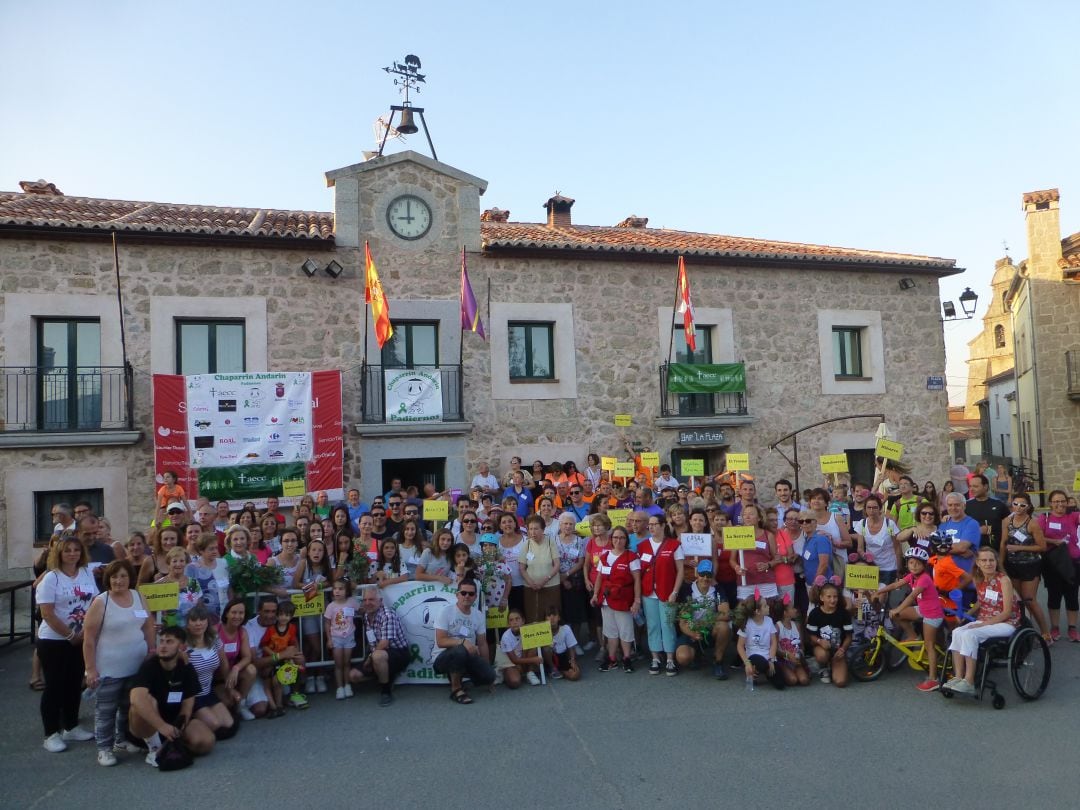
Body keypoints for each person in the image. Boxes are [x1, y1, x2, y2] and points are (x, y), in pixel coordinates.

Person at [81, 559, 155, 765]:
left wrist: (151, 650)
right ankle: (104, 748)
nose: (119, 580)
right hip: (109, 668)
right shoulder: (101, 602)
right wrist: (90, 669)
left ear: (130, 578)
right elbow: (89, 638)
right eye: (114, 576)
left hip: (135, 665)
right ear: (108, 579)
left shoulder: (138, 596)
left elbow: (148, 625)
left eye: (123, 576)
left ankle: (121, 740)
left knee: (126, 706)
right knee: (106, 709)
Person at [37, 535, 98, 752]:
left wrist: (86, 633)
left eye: (76, 550)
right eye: (67, 550)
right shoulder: (51, 578)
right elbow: (47, 613)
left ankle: (70, 726)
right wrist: (71, 636)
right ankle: (50, 733)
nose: (72, 554)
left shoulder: (86, 572)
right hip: (54, 640)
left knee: (73, 684)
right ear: (59, 553)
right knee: (55, 686)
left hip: (81, 637)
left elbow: (94, 602)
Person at [128, 625, 214, 766]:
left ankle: (171, 747)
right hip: (150, 725)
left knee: (206, 741)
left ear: (181, 647)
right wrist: (162, 726)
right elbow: (136, 699)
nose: (163, 646)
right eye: (161, 641)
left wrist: (177, 730)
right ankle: (154, 748)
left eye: (169, 642)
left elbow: (187, 707)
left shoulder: (187, 668)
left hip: (173, 723)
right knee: (143, 701)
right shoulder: (150, 666)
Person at [943, 547, 1021, 695]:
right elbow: (981, 602)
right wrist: (967, 614)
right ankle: (958, 677)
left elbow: (1007, 612)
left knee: (970, 634)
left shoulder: (1003, 580)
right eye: (984, 560)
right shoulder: (978, 579)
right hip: (984, 620)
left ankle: (969, 681)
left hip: (1006, 623)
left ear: (996, 562)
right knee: (957, 632)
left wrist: (984, 624)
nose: (988, 563)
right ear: (978, 563)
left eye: (991, 560)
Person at [877, 547, 944, 692]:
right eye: (911, 562)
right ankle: (912, 635)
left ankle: (933, 679)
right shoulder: (911, 576)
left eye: (918, 563)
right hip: (922, 609)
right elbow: (896, 585)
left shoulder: (924, 578)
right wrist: (879, 591)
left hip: (932, 614)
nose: (914, 566)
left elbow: (912, 597)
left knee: (929, 645)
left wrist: (898, 609)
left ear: (924, 565)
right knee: (898, 616)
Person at [433, 578, 495, 704]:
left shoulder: (478, 615)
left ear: (475, 597)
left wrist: (486, 666)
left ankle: (458, 674)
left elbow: (482, 643)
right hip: (442, 657)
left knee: (489, 675)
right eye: (463, 593)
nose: (467, 596)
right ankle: (456, 689)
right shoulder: (445, 612)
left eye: (471, 594)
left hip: (467, 656)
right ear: (457, 594)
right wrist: (462, 642)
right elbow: (440, 641)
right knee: (460, 650)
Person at [1000, 492, 1051, 641]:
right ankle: (1026, 632)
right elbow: (1003, 543)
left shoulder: (1032, 523)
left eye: (1022, 505)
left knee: (1029, 599)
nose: (1018, 507)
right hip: (1012, 565)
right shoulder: (1006, 521)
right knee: (1018, 600)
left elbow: (1042, 547)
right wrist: (1001, 563)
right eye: (1015, 504)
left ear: (1028, 507)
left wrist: (1020, 548)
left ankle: (1045, 633)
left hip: (1030, 566)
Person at [639, 514, 685, 675]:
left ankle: (670, 658)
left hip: (667, 592)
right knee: (652, 625)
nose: (651, 527)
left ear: (663, 525)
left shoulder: (674, 545)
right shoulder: (642, 546)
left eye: (654, 524)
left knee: (667, 624)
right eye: (649, 525)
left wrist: (675, 591)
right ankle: (655, 657)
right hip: (648, 592)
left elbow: (680, 571)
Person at [591, 525, 642, 673]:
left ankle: (626, 658)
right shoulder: (605, 556)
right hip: (606, 600)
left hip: (623, 599)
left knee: (625, 631)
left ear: (626, 540)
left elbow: (637, 580)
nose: (618, 540)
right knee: (610, 631)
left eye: (621, 538)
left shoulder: (631, 557)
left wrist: (637, 600)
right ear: (611, 539)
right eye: (615, 537)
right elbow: (599, 578)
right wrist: (595, 594)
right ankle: (612, 658)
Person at [183, 603, 235, 739]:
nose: (198, 624)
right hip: (192, 696)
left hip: (208, 691)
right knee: (215, 725)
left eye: (202, 620)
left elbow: (224, 664)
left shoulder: (213, 639)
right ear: (187, 624)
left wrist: (229, 688)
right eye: (193, 620)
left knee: (228, 724)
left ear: (207, 622)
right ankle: (190, 723)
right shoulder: (183, 645)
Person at [674, 560, 730, 679]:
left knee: (724, 627)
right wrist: (692, 633)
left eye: (708, 575)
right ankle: (696, 654)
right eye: (702, 574)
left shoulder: (717, 590)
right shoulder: (687, 590)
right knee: (683, 658)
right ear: (697, 574)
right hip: (692, 628)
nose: (705, 578)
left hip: (709, 627)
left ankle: (718, 661)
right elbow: (683, 621)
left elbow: (725, 614)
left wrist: (706, 620)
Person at [357, 587, 411, 706]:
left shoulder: (387, 615)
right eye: (364, 600)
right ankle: (387, 676)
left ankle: (385, 691)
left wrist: (370, 657)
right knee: (354, 676)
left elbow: (384, 643)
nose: (367, 603)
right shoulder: (367, 615)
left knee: (377, 656)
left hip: (398, 652)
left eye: (371, 599)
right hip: (379, 652)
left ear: (380, 601)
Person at [1039, 490, 1080, 642]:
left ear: (1067, 502)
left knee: (1072, 596)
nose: (1060, 504)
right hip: (1053, 563)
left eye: (1062, 501)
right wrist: (1054, 541)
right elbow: (1038, 536)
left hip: (1072, 562)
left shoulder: (1073, 516)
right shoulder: (1045, 518)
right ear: (1050, 503)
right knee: (1054, 595)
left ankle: (1072, 628)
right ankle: (1055, 627)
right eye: (1056, 501)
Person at [259, 600, 308, 714]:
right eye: (281, 614)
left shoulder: (292, 628)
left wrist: (293, 654)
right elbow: (264, 645)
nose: (283, 618)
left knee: (298, 664)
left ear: (291, 616)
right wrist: (275, 656)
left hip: (285, 657)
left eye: (287, 615)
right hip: (273, 657)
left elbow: (292, 642)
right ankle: (278, 705)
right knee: (276, 681)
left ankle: (295, 694)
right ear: (277, 615)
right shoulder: (271, 630)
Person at [217, 599, 259, 719]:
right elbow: (220, 660)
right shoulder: (216, 630)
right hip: (217, 677)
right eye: (234, 612)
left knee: (251, 669)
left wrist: (236, 668)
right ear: (226, 613)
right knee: (228, 703)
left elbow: (247, 657)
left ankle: (242, 704)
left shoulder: (242, 632)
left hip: (232, 674)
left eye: (241, 613)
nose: (237, 616)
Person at [805, 581, 851, 687]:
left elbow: (849, 637)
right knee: (822, 655)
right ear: (821, 598)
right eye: (829, 596)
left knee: (840, 682)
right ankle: (824, 667)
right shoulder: (815, 613)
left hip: (838, 649)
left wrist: (842, 649)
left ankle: (835, 663)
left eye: (835, 597)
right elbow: (810, 635)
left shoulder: (843, 613)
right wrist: (819, 641)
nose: (833, 600)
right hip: (822, 648)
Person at [730, 503, 778, 602]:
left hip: (766, 582)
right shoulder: (737, 533)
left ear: (759, 518)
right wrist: (737, 567)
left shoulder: (768, 535)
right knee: (746, 614)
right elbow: (732, 560)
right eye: (745, 514)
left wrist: (768, 565)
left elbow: (777, 558)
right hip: (745, 583)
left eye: (751, 514)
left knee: (769, 612)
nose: (747, 516)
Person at [736, 595, 785, 690]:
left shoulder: (769, 621)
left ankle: (760, 672)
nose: (769, 607)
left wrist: (771, 659)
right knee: (760, 662)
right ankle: (753, 670)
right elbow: (740, 646)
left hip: (767, 656)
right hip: (753, 656)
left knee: (780, 684)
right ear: (757, 611)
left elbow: (773, 642)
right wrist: (747, 663)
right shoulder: (747, 623)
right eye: (765, 606)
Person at [520, 513, 562, 624]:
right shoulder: (526, 544)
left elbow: (557, 564)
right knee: (533, 615)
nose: (533, 532)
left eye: (536, 529)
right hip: (531, 587)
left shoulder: (550, 542)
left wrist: (544, 580)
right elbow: (522, 568)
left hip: (550, 585)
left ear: (543, 529)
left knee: (550, 616)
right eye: (530, 529)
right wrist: (531, 583)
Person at [852, 494, 901, 584]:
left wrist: (899, 569)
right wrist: (864, 555)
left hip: (889, 567)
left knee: (885, 595)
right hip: (871, 567)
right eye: (869, 507)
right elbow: (860, 548)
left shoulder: (889, 524)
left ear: (880, 508)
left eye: (875, 507)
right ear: (865, 509)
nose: (871, 510)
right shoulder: (862, 524)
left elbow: (897, 547)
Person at [324, 579, 359, 700]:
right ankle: (339, 687)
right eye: (335, 589)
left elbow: (361, 610)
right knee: (338, 664)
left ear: (347, 590)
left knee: (347, 662)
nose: (337, 591)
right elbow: (327, 623)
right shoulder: (331, 606)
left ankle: (347, 685)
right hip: (336, 638)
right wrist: (329, 639)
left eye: (341, 588)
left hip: (349, 637)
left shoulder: (351, 602)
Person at [494, 609, 544, 688]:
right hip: (509, 661)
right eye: (511, 620)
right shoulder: (506, 636)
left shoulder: (527, 630)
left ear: (523, 621)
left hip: (521, 657)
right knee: (515, 682)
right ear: (508, 624)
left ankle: (529, 672)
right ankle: (508, 672)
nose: (514, 622)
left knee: (534, 641)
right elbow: (514, 660)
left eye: (517, 619)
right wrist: (534, 659)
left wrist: (537, 627)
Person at [186, 533, 231, 618]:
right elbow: (193, 596)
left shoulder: (223, 563)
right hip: (205, 616)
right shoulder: (192, 568)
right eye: (211, 549)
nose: (215, 551)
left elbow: (229, 589)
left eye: (216, 548)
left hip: (225, 613)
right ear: (201, 550)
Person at [965, 473, 1009, 551]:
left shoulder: (999, 505)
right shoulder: (966, 506)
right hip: (973, 552)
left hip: (996, 551)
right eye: (970, 486)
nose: (971, 489)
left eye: (975, 486)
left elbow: (1010, 525)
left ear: (985, 487)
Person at [772, 596, 809, 686]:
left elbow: (801, 645)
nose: (795, 610)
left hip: (796, 659)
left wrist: (799, 655)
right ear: (785, 613)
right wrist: (787, 655)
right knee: (792, 680)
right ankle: (782, 672)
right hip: (784, 660)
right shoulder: (777, 627)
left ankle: (800, 669)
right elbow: (775, 649)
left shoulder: (797, 625)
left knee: (804, 680)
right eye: (792, 608)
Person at [546, 605, 581, 680]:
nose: (552, 618)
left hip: (564, 656)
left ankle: (562, 672)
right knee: (546, 649)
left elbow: (571, 647)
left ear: (559, 617)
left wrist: (573, 660)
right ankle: (553, 669)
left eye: (554, 615)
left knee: (575, 675)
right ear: (545, 618)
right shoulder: (541, 631)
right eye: (549, 615)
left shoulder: (565, 628)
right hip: (549, 659)